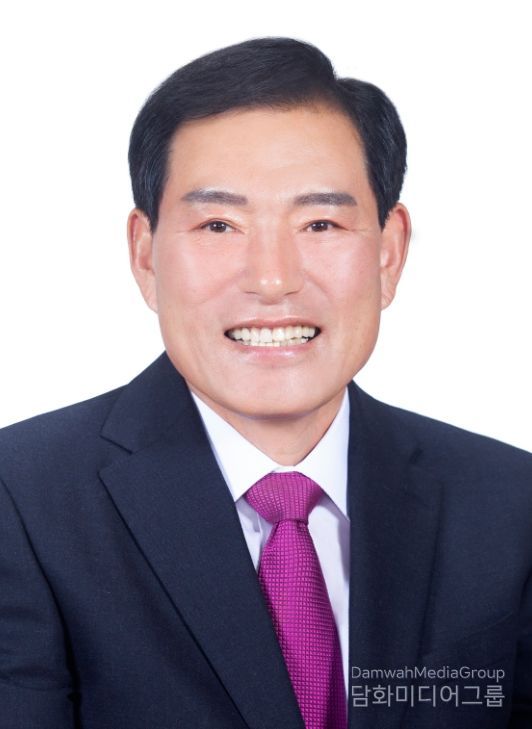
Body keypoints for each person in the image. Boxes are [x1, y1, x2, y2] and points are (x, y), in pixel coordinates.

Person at [0, 37, 530, 729]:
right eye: (219, 224)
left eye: (320, 223)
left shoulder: (510, 504)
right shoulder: (22, 500)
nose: (273, 279)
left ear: (389, 253)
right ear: (145, 255)